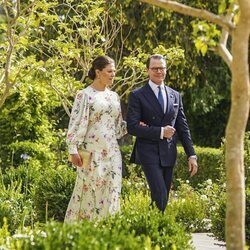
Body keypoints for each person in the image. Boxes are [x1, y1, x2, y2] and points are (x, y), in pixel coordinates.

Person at [126, 54, 198, 212]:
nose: (159, 71)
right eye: (155, 68)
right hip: (148, 151)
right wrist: (160, 132)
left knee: (161, 196)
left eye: (162, 68)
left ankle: (152, 230)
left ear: (166, 70)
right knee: (160, 193)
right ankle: (156, 229)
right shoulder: (137, 95)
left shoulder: (175, 95)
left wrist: (191, 155)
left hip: (168, 151)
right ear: (147, 71)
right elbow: (131, 127)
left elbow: (182, 127)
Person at [64, 55, 127, 222]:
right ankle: (82, 235)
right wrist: (73, 149)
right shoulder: (84, 95)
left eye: (114, 71)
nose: (113, 74)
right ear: (98, 72)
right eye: (109, 71)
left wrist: (139, 124)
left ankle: (108, 234)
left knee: (112, 193)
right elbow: (75, 123)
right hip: (91, 153)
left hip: (113, 153)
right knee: (89, 194)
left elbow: (119, 127)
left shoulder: (114, 96)